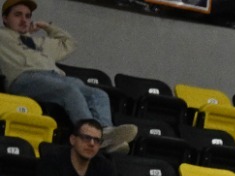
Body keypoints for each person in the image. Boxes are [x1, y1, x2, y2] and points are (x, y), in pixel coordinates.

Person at [0, 0, 134, 153]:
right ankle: (90, 137)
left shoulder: (41, 42)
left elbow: (69, 43)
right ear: (5, 18)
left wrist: (47, 27)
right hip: (26, 79)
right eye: (18, 15)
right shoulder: (2, 37)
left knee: (99, 94)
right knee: (69, 91)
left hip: (56, 78)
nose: (24, 20)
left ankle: (105, 133)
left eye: (28, 16)